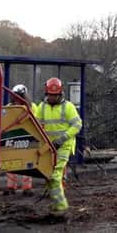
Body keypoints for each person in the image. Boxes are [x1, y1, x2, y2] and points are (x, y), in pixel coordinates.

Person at [33, 77, 82, 213]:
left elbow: (77, 125)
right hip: (48, 147)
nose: (53, 97)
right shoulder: (41, 107)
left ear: (61, 94)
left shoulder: (68, 107)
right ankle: (56, 204)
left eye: (55, 95)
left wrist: (62, 139)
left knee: (54, 176)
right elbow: (36, 125)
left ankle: (61, 207)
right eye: (50, 94)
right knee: (48, 175)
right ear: (46, 94)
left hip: (64, 146)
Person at [5, 84, 34, 196]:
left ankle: (27, 188)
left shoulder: (31, 107)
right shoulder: (8, 107)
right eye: (15, 96)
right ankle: (11, 187)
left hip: (27, 138)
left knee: (27, 164)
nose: (16, 99)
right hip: (12, 138)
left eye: (19, 96)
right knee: (10, 163)